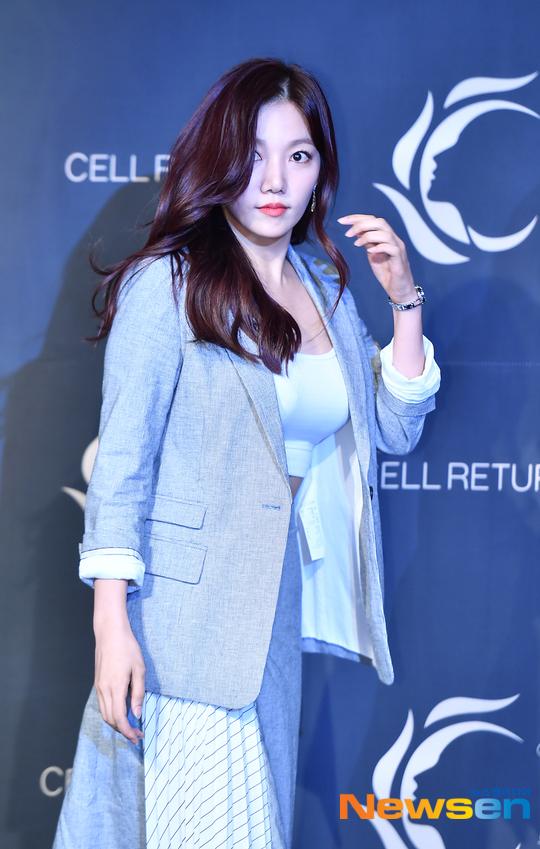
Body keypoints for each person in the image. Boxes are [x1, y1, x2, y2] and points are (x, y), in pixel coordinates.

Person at [52, 57, 441, 849]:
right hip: (178, 625)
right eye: (254, 154)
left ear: (320, 169)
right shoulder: (169, 284)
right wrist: (111, 626)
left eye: (298, 155)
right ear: (221, 158)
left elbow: (394, 430)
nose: (274, 180)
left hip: (271, 618)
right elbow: (122, 465)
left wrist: (405, 302)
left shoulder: (322, 286)